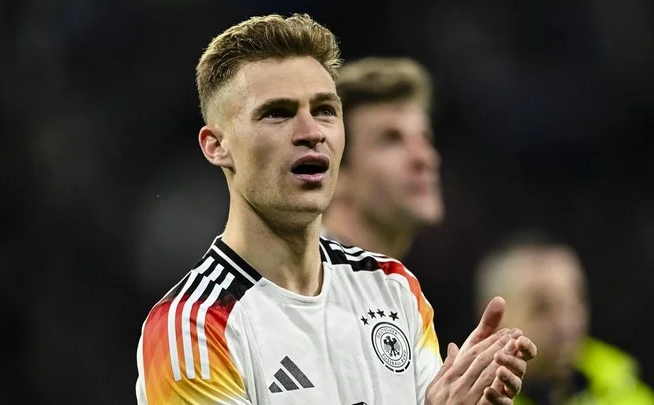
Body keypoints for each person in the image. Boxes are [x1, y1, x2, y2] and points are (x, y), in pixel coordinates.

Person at [135, 13, 536, 405]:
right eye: (277, 113)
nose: (311, 132)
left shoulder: (393, 287)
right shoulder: (194, 326)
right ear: (216, 146)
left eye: (325, 110)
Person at [474, 230, 654, 404]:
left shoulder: (629, 392)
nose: (567, 323)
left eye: (576, 300)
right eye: (542, 307)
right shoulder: (473, 401)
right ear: (492, 317)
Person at [322, 57, 442, 260]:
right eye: (391, 139)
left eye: (425, 137)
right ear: (336, 174)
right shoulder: (299, 275)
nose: (424, 158)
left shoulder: (385, 278)